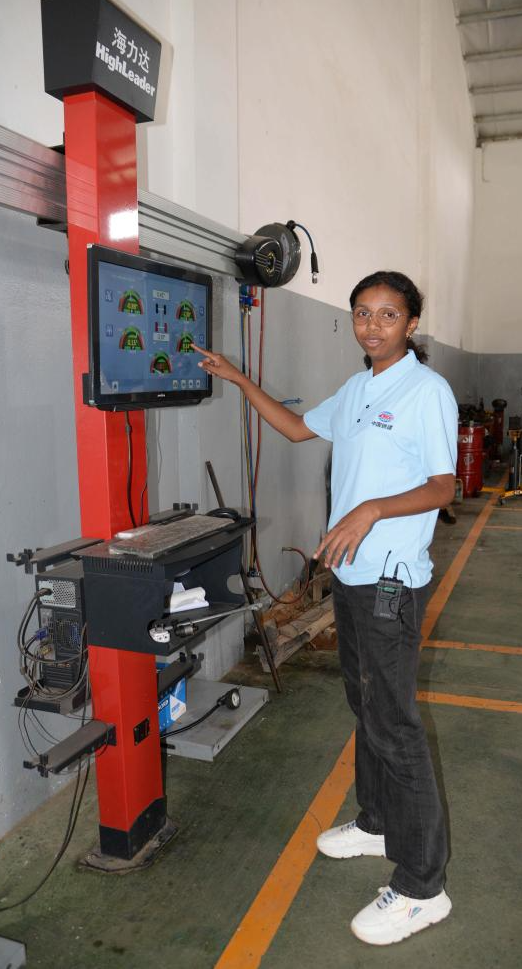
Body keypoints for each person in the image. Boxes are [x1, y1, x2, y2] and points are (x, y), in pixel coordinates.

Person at [193, 270, 457, 946]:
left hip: (391, 580)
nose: (373, 326)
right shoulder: (359, 389)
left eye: (388, 315)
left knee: (394, 724)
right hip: (352, 574)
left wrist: (369, 510)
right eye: (363, 313)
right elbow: (295, 428)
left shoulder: (426, 391)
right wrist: (239, 379)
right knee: (364, 706)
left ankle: (423, 887)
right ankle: (376, 823)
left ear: (411, 324)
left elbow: (441, 486)